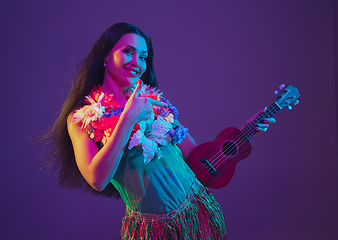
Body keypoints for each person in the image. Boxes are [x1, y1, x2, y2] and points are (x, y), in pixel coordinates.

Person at [42, 22, 275, 240]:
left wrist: (244, 133)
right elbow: (97, 179)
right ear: (105, 55)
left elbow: (198, 160)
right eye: (128, 51)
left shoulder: (155, 104)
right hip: (151, 231)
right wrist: (128, 118)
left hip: (198, 215)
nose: (137, 62)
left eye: (143, 57)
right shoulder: (83, 119)